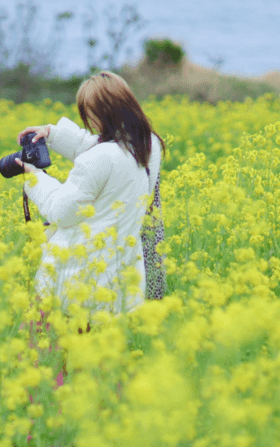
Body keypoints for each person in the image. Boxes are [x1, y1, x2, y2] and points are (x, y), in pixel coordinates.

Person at [15, 70, 166, 315]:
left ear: (103, 114)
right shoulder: (149, 146)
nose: (90, 122)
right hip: (122, 286)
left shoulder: (100, 158)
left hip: (77, 284)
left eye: (89, 113)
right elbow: (103, 147)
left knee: (42, 350)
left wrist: (35, 180)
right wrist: (53, 134)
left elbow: (61, 211)